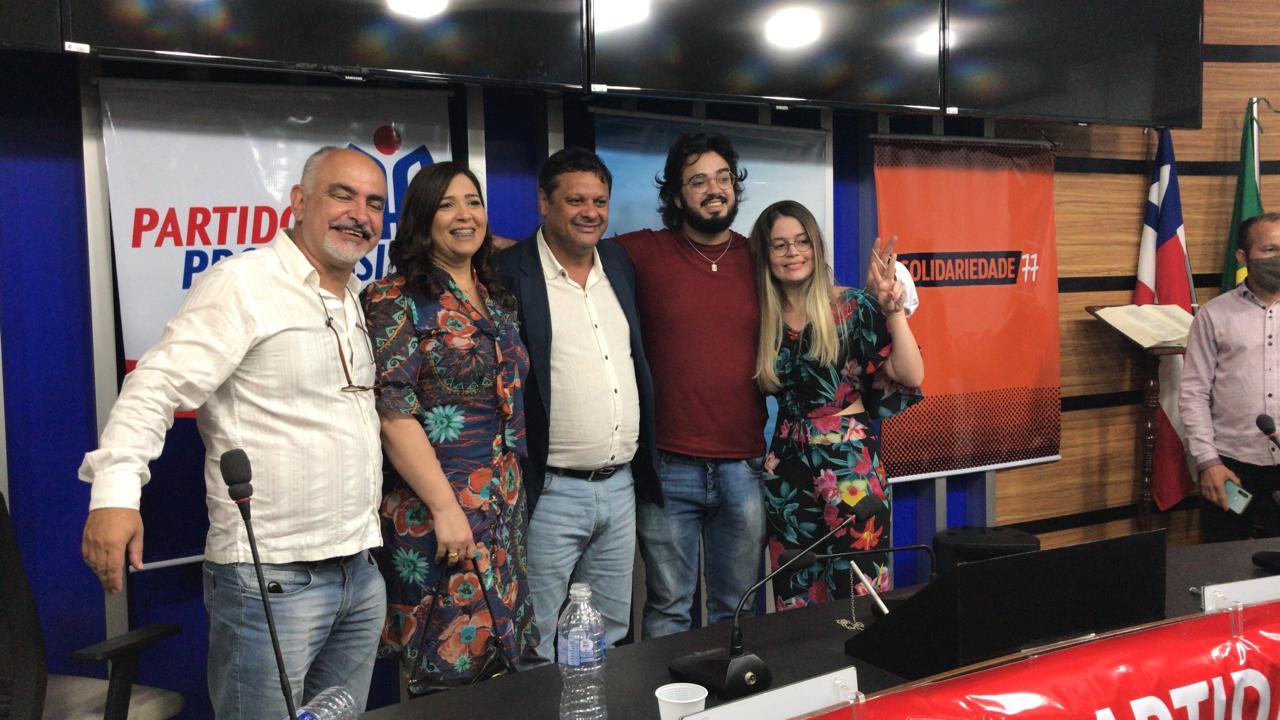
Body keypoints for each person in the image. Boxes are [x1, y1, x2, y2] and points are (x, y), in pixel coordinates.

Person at [79, 146, 388, 718]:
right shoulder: (243, 284)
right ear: (299, 202)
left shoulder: (350, 297)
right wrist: (114, 495)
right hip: (270, 577)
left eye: (374, 203)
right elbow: (155, 386)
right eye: (342, 195)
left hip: (359, 571)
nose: (359, 214)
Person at [361, 161, 537, 694]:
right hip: (439, 511)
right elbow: (393, 415)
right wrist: (445, 509)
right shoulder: (393, 298)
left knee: (503, 665)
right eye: (447, 204)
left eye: (473, 202)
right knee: (444, 668)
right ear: (421, 219)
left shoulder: (497, 297)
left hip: (503, 509)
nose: (465, 215)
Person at [494, 147, 660, 665]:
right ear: (544, 202)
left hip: (619, 487)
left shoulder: (619, 263)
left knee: (608, 635)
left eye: (600, 201)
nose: (591, 212)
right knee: (538, 638)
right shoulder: (507, 272)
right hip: (550, 492)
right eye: (575, 201)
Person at [615, 133, 767, 638]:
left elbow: (813, 291)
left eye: (723, 178)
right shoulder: (644, 251)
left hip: (743, 466)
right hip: (668, 466)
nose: (714, 189)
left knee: (735, 609)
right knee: (668, 609)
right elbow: (562, 248)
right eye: (698, 181)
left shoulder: (759, 256)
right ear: (677, 196)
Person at [748, 200, 924, 609]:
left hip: (849, 465)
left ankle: (859, 654)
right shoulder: (761, 318)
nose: (793, 252)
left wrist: (893, 311)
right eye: (780, 245)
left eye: (802, 241)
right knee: (793, 593)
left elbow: (911, 374)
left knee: (856, 594)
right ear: (765, 254)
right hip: (786, 467)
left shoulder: (851, 306)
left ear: (816, 246)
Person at [1181, 211, 1280, 542]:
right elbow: (1193, 393)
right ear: (1243, 256)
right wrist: (1208, 462)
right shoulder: (1215, 314)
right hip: (1231, 466)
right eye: (1269, 249)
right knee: (1223, 559)